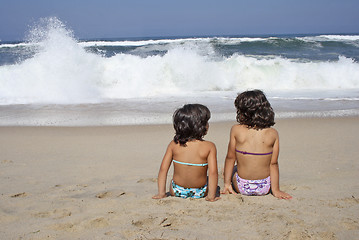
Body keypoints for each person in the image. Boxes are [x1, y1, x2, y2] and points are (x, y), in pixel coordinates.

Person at [222, 90, 292, 199]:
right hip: (264, 187)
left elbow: (230, 158)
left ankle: (228, 184)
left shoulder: (236, 130)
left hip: (241, 186)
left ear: (243, 112)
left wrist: (227, 184)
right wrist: (276, 190)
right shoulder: (273, 133)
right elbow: (273, 164)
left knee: (233, 168)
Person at [152, 104, 220, 201]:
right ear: (200, 126)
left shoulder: (174, 144)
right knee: (209, 178)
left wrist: (161, 193)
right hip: (200, 192)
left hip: (176, 191)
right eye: (206, 122)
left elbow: (163, 169)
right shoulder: (209, 146)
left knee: (173, 180)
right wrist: (211, 196)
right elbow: (213, 172)